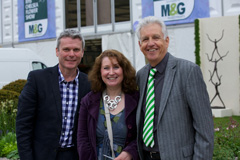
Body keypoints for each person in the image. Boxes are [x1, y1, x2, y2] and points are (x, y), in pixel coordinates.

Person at [135, 16, 214, 160]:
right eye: (145, 39)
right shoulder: (140, 76)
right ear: (140, 44)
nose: (150, 43)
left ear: (167, 41)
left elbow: (205, 130)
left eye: (156, 37)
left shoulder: (188, 71)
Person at [16, 29, 91, 160]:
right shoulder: (37, 79)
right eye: (66, 49)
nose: (71, 54)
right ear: (57, 51)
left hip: (75, 156)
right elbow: (23, 124)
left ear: (82, 52)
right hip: (42, 156)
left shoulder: (89, 84)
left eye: (76, 50)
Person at [77, 49, 139, 160]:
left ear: (124, 70)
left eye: (116, 67)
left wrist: (130, 153)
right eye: (106, 68)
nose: (111, 72)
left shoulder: (136, 99)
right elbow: (82, 139)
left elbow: (143, 135)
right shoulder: (88, 101)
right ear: (99, 72)